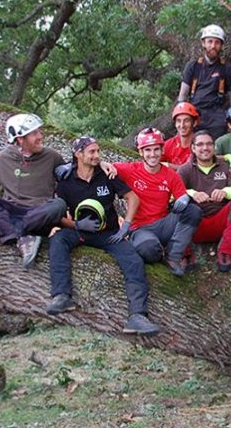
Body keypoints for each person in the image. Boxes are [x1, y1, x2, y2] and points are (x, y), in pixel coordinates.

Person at [47, 136, 159, 334]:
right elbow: (58, 216)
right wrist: (76, 224)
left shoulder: (108, 174)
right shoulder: (66, 181)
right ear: (78, 154)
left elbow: (132, 198)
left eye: (98, 151)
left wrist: (127, 225)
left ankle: (137, 316)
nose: (97, 155)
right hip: (80, 231)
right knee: (58, 239)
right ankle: (61, 296)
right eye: (92, 152)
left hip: (109, 234)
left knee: (133, 261)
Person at [0, 113, 67, 267]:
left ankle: (2, 230)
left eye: (39, 131)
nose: (40, 136)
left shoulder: (52, 157)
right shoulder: (1, 159)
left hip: (39, 215)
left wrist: (103, 165)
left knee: (59, 205)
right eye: (34, 133)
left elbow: (74, 173)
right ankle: (19, 235)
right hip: (11, 210)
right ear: (20, 139)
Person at [114, 127, 201, 276]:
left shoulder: (171, 175)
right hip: (140, 228)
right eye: (147, 150)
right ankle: (159, 250)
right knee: (149, 251)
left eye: (156, 149)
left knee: (193, 211)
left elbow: (182, 198)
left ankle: (173, 256)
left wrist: (185, 198)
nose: (152, 154)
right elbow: (101, 167)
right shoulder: (130, 170)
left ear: (162, 150)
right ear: (141, 152)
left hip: (164, 224)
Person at [178, 130, 231, 272]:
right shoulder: (185, 169)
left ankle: (225, 251)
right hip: (195, 225)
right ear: (193, 148)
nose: (205, 148)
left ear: (214, 146)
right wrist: (193, 194)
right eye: (200, 144)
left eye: (209, 144)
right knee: (178, 205)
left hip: (222, 223)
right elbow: (174, 192)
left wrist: (225, 192)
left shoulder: (226, 165)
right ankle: (183, 253)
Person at [176, 24, 231, 139]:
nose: (213, 46)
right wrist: (182, 119)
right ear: (203, 43)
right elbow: (182, 98)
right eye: (210, 42)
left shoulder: (227, 68)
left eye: (217, 42)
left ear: (221, 45)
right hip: (194, 114)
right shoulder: (193, 66)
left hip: (217, 117)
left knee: (215, 151)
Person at [163, 101, 198, 170]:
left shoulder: (201, 144)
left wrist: (170, 166)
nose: (182, 125)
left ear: (194, 123)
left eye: (186, 121)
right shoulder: (168, 145)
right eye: (178, 121)